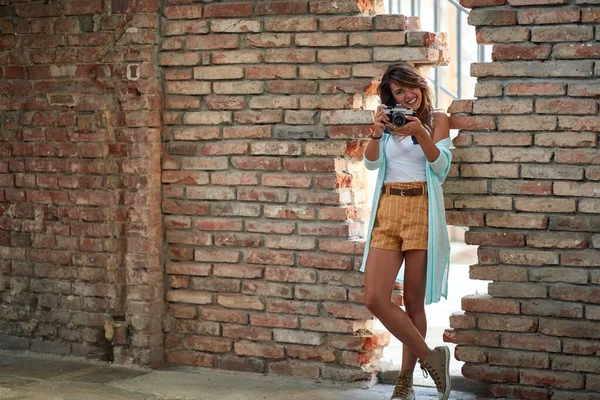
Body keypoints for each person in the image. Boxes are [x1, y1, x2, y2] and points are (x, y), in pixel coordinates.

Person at [360, 63, 452, 400]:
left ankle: (405, 381)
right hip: (388, 209)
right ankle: (432, 357)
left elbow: (441, 168)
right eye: (399, 92)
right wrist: (375, 131)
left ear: (420, 86)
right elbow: (371, 164)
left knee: (413, 302)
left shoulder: (436, 119)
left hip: (421, 210)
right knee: (375, 298)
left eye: (410, 87)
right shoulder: (387, 123)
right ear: (391, 98)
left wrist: (421, 134)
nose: (407, 95)